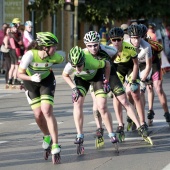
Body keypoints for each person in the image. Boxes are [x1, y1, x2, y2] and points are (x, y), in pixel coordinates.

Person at [83, 31, 142, 143]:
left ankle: (139, 126)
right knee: (97, 104)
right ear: (86, 45)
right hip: (95, 77)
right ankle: (99, 127)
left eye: (95, 45)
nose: (93, 48)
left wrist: (109, 69)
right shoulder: (83, 53)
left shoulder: (108, 50)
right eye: (90, 45)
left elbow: (114, 56)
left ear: (99, 43)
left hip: (110, 73)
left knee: (124, 100)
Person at [17, 32, 64, 164]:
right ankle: (47, 136)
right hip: (30, 82)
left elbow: (69, 63)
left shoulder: (56, 57)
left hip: (46, 81)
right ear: (44, 47)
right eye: (53, 46)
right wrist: (31, 77)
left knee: (47, 110)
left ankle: (55, 144)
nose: (55, 49)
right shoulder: (30, 55)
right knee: (38, 114)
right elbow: (19, 74)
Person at [62, 46, 119, 152]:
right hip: (81, 79)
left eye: (79, 65)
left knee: (101, 106)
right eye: (74, 66)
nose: (77, 68)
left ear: (83, 61)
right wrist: (74, 88)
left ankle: (111, 133)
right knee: (77, 101)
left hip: (96, 77)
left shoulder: (92, 61)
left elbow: (107, 64)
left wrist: (106, 80)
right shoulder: (71, 65)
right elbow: (65, 75)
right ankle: (79, 134)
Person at [109, 27, 150, 139]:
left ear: (123, 39)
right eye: (114, 40)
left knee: (135, 93)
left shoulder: (130, 47)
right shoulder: (109, 50)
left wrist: (132, 80)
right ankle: (120, 124)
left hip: (130, 67)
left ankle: (142, 123)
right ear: (111, 40)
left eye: (119, 40)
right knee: (117, 96)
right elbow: (108, 66)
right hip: (118, 69)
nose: (116, 42)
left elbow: (136, 64)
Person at [140, 24, 170, 126]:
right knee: (148, 88)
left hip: (154, 64)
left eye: (142, 36)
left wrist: (163, 66)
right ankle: (150, 110)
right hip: (144, 65)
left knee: (158, 88)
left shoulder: (150, 43)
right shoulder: (133, 44)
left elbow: (160, 49)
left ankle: (166, 113)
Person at [7, 23, 21, 88]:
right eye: (14, 28)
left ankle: (9, 80)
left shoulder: (9, 34)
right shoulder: (13, 34)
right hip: (15, 50)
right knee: (17, 66)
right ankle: (15, 79)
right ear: (11, 28)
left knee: (12, 66)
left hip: (11, 51)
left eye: (16, 28)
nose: (16, 29)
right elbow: (19, 41)